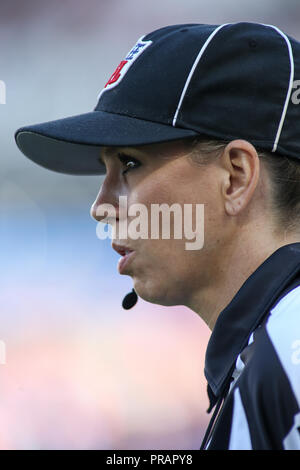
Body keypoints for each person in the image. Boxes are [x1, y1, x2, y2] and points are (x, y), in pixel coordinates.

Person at [14, 22, 300, 450]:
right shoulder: (269, 347)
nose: (101, 206)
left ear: (236, 176)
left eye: (129, 164)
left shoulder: (288, 347)